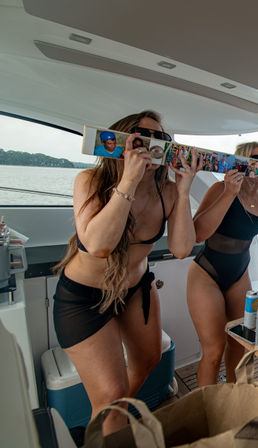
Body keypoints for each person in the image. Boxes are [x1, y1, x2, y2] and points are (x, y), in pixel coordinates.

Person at [52, 111, 201, 434]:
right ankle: (110, 419)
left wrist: (184, 190)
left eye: (160, 139)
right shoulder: (90, 182)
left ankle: (114, 417)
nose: (151, 144)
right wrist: (130, 180)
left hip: (136, 288)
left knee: (148, 360)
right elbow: (98, 245)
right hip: (84, 298)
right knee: (109, 394)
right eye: (141, 136)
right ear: (121, 142)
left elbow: (180, 249)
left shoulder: (167, 193)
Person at [187, 141, 258, 386]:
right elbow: (197, 233)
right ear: (243, 162)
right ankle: (205, 409)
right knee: (214, 351)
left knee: (241, 342)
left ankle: (234, 396)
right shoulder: (219, 188)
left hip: (238, 274)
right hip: (207, 273)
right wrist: (229, 193)